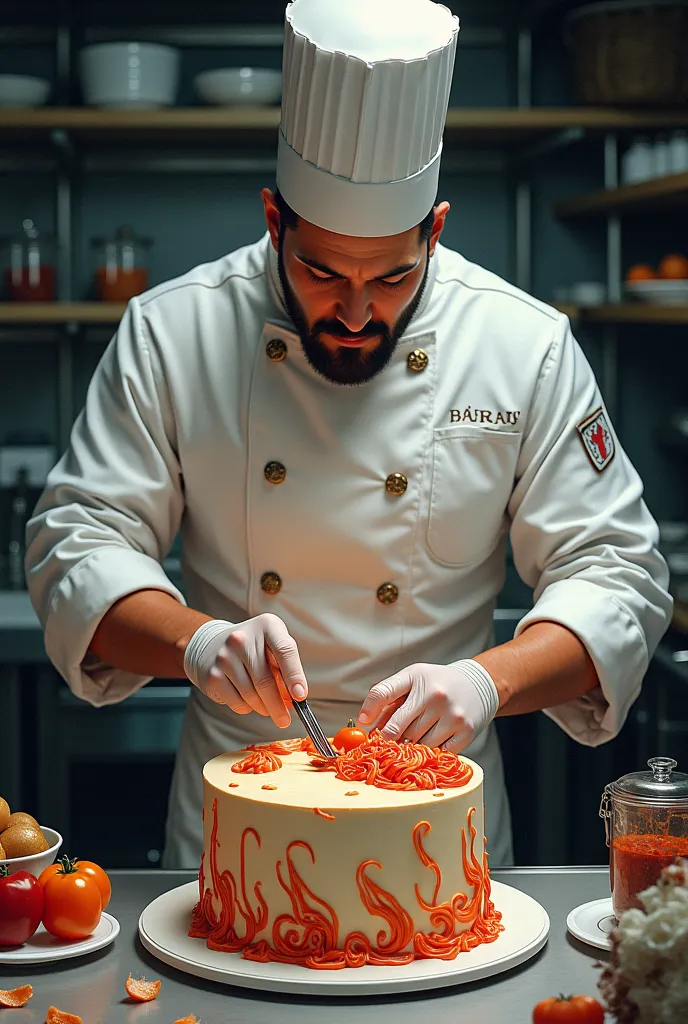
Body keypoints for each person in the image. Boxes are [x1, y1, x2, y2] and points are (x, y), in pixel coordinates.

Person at [26, 0, 672, 870]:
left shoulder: (524, 344)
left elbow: (619, 572)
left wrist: (488, 682)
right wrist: (199, 641)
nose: (358, 314)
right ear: (273, 220)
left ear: (435, 231)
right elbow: (75, 545)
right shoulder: (172, 330)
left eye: (395, 276)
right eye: (322, 271)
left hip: (437, 817)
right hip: (234, 814)